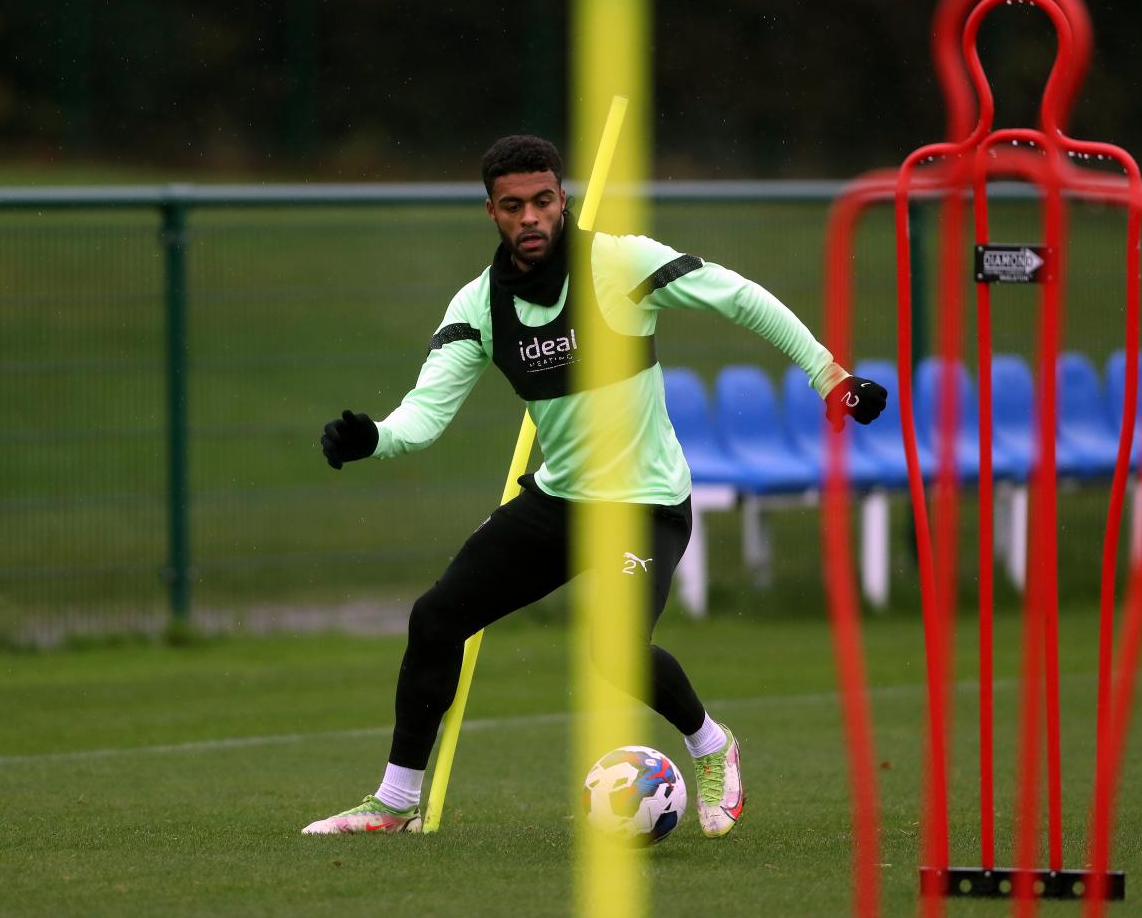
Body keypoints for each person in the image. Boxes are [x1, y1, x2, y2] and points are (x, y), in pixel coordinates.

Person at [302, 135, 886, 837]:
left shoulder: (619, 262)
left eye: (543, 201)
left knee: (613, 645)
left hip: (647, 504)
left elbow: (739, 297)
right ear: (490, 211)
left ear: (562, 201)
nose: (531, 218)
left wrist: (829, 376)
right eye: (513, 206)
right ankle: (394, 804)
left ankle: (712, 747)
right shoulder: (480, 306)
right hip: (560, 503)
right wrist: (374, 438)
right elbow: (423, 416)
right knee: (436, 619)